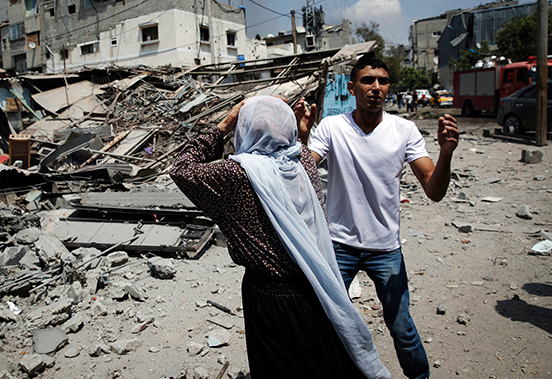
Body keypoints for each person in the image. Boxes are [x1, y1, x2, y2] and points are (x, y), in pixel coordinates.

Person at [171, 96, 390, 379]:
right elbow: (293, 152)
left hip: (268, 296)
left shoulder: (235, 174)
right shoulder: (303, 164)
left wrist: (224, 124)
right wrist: (300, 133)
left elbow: (181, 168)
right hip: (315, 284)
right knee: (317, 361)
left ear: (244, 129)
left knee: (277, 367)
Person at [294, 56, 459, 379]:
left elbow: (434, 190)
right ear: (353, 87)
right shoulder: (332, 127)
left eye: (383, 81)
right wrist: (302, 137)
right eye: (368, 81)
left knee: (402, 327)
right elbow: (303, 174)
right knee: (324, 320)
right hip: (338, 244)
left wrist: (446, 153)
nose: (376, 88)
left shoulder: (404, 130)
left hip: (386, 249)